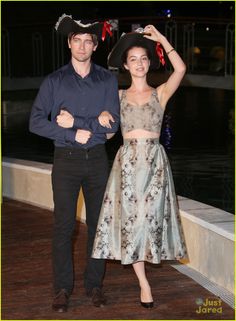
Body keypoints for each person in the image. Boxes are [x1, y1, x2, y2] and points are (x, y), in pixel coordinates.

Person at [92, 25, 188, 308]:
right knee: (133, 224)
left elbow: (180, 69)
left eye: (143, 58)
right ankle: (144, 284)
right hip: (128, 165)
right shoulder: (118, 97)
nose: (139, 63)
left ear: (149, 62)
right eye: (133, 59)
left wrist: (161, 39)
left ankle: (146, 274)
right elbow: (108, 133)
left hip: (155, 164)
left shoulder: (160, 94)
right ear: (125, 65)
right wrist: (102, 117)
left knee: (150, 220)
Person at [29, 14, 120, 312]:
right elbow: (36, 122)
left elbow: (111, 128)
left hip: (96, 160)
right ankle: (62, 289)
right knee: (64, 227)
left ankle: (95, 286)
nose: (82, 46)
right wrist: (69, 131)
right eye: (77, 40)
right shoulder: (54, 81)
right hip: (65, 160)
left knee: (98, 226)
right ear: (69, 43)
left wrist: (80, 123)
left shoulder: (107, 80)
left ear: (95, 47)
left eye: (88, 41)